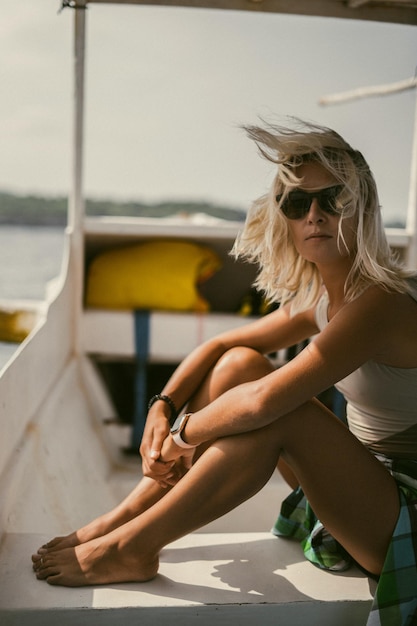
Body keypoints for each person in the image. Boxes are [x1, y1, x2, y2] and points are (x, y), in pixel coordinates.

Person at [32, 120, 417, 624]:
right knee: (241, 365)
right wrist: (162, 407)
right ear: (285, 218)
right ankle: (126, 515)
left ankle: (132, 545)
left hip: (403, 517)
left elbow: (263, 405)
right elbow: (222, 345)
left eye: (334, 199)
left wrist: (182, 435)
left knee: (281, 413)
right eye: (298, 204)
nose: (315, 215)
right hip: (366, 487)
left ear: (362, 207)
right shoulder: (323, 298)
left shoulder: (382, 302)